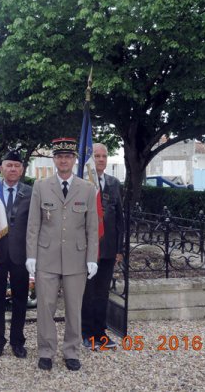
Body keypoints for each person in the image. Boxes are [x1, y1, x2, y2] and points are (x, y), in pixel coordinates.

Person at [26, 138, 98, 372]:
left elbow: (92, 228)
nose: (64, 160)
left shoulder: (87, 188)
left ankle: (71, 351)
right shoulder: (41, 186)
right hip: (46, 257)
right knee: (45, 307)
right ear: (54, 160)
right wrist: (31, 255)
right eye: (59, 156)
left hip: (76, 258)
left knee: (73, 308)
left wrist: (91, 257)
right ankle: (46, 351)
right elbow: (33, 224)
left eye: (68, 156)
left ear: (74, 159)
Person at [82, 143, 124, 350]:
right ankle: (86, 333)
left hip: (107, 249)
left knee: (102, 293)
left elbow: (119, 219)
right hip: (88, 249)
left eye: (104, 156)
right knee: (87, 293)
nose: (100, 159)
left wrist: (119, 249)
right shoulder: (82, 183)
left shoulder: (114, 183)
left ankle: (101, 332)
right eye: (97, 156)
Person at [0, 151, 32, 359]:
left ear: (22, 169)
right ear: (1, 168)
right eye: (9, 165)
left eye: (17, 165)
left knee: (20, 299)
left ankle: (17, 341)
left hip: (21, 254)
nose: (13, 169)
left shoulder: (31, 192)